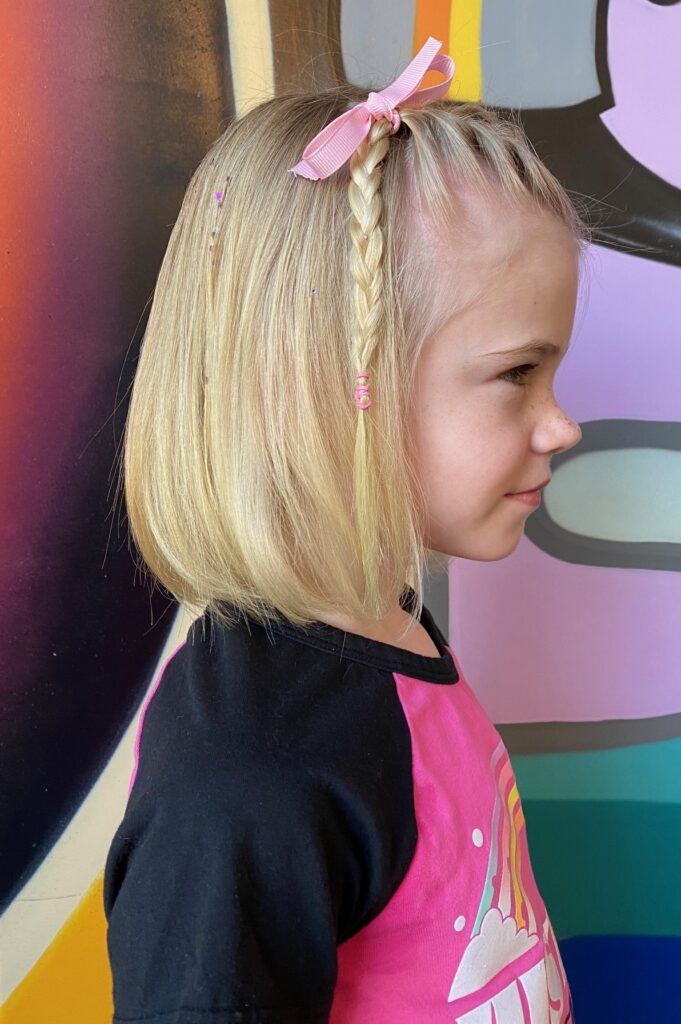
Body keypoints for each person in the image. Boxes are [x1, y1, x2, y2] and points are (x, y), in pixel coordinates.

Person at [103, 37, 587, 1024]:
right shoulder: (243, 770)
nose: (563, 423)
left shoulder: (390, 626)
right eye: (516, 374)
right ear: (330, 390)